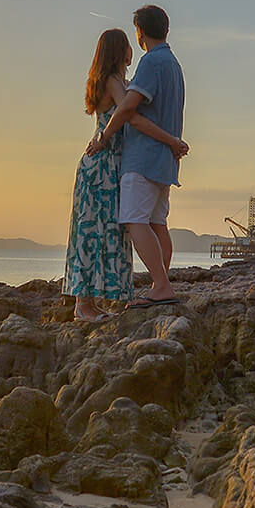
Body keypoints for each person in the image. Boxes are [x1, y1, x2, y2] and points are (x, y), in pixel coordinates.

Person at [64, 28, 187, 321]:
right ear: (122, 51)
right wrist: (170, 140)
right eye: (129, 45)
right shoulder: (113, 82)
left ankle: (92, 302)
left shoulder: (120, 82)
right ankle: (83, 304)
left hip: (110, 166)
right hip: (102, 167)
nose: (135, 49)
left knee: (107, 232)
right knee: (93, 232)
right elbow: (130, 116)